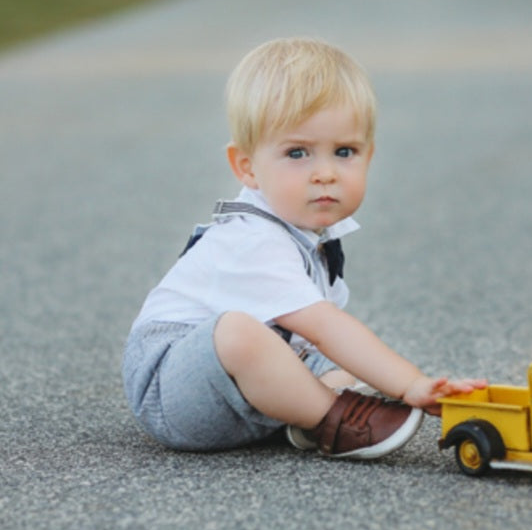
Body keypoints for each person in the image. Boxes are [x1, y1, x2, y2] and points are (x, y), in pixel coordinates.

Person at [122, 37, 486, 457]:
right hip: (173, 388)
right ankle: (336, 420)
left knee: (347, 363)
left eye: (344, 152)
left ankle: (303, 414)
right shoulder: (252, 239)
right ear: (247, 167)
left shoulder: (315, 236)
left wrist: (378, 379)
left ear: (368, 157)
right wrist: (410, 383)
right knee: (241, 332)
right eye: (298, 153)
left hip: (240, 391)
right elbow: (323, 325)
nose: (325, 173)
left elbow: (319, 341)